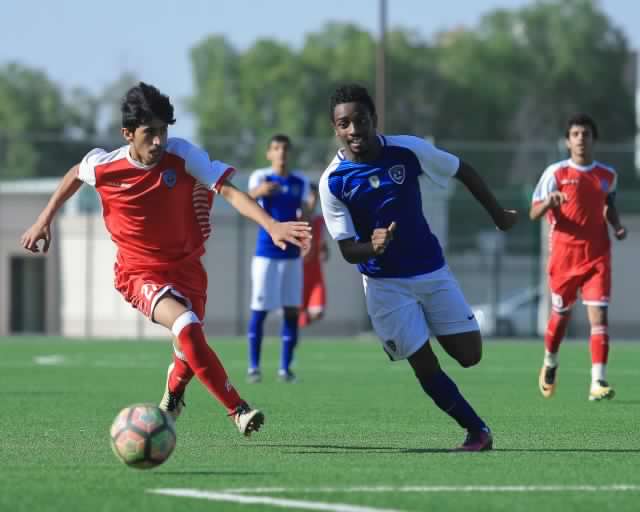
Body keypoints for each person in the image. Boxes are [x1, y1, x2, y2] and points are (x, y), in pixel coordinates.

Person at [20, 82, 311, 435]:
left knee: (188, 348)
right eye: (149, 133)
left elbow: (229, 192)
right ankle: (238, 410)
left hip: (188, 267)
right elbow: (74, 174)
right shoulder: (104, 166)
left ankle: (173, 394)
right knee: (186, 325)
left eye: (163, 131)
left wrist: (271, 224)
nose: (158, 141)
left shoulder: (183, 156)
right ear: (127, 134)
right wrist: (43, 219)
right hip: (138, 272)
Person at [319, 83, 518, 451]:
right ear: (335, 128)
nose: (353, 131)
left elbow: (463, 170)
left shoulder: (407, 150)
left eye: (359, 120)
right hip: (385, 285)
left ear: (373, 120)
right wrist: (372, 246)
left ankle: (422, 325)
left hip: (431, 270)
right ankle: (477, 431)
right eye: (343, 124)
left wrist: (498, 216)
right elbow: (348, 250)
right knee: (424, 365)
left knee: (469, 356)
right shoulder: (333, 182)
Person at [530, 114, 627, 401]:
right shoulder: (555, 173)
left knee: (600, 317)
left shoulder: (607, 175)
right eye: (575, 134)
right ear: (567, 140)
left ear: (593, 139)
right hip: (564, 257)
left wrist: (617, 226)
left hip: (597, 255)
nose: (581, 138)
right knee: (560, 317)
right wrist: (550, 201)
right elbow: (534, 213)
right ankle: (550, 362)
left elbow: (608, 205)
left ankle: (598, 381)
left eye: (586, 133)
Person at [246, 134, 312, 383]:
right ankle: (254, 367)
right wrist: (258, 192)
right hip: (266, 254)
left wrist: (309, 211)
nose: (281, 152)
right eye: (276, 148)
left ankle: (285, 368)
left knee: (292, 311)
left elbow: (304, 214)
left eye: (285, 148)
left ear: (290, 152)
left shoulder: (300, 181)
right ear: (268, 153)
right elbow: (246, 201)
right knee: (260, 310)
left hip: (292, 255)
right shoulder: (261, 177)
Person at [299, 183, 329, 328]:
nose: (314, 200)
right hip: (298, 276)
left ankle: (298, 322)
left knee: (317, 312)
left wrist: (324, 250)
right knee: (294, 315)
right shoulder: (296, 220)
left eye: (316, 197)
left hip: (316, 275)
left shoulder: (320, 221)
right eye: (311, 196)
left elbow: (324, 249)